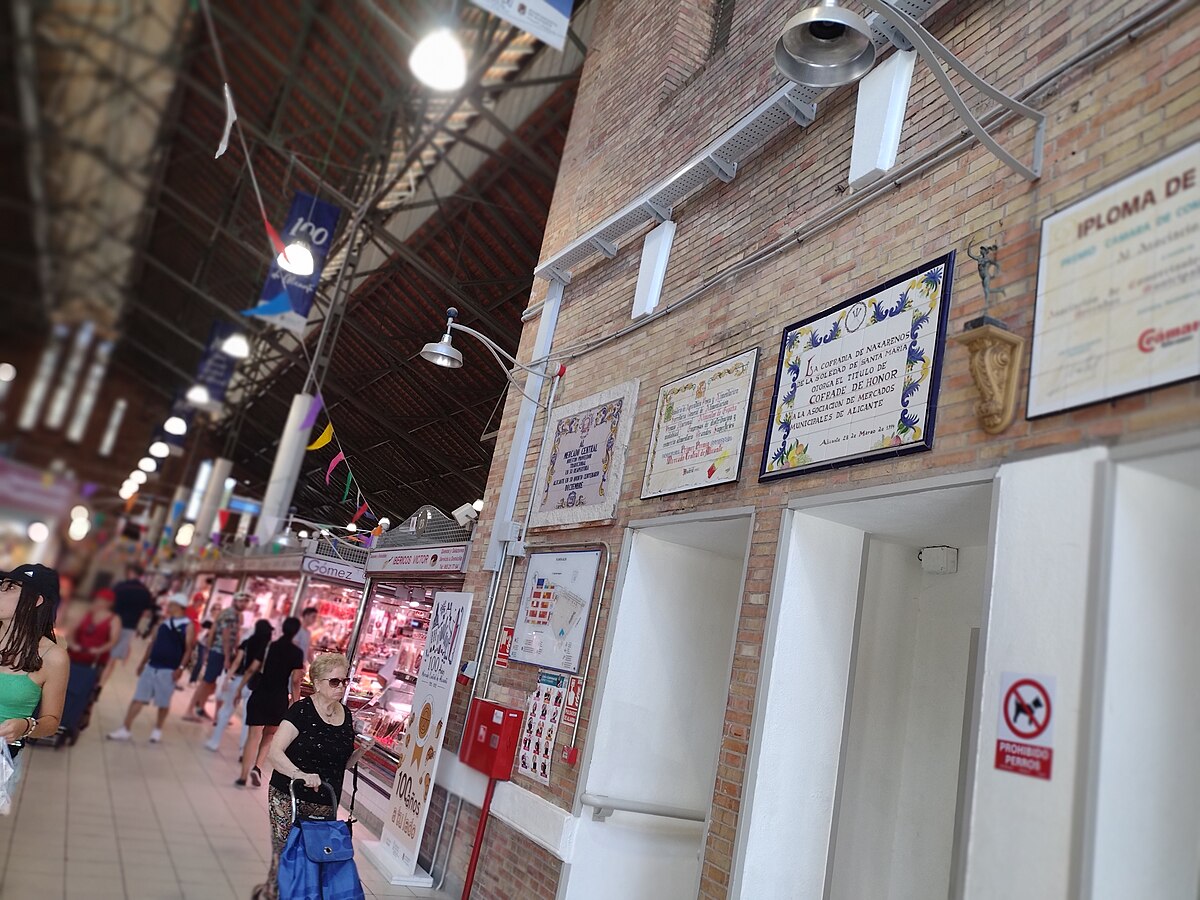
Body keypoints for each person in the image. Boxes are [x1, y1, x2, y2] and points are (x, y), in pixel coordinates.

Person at [258, 653, 374, 900]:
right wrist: (300, 774)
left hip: (325, 802)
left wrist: (361, 752)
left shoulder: (347, 716)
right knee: (288, 856)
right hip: (289, 797)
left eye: (345, 681)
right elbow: (274, 753)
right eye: (334, 681)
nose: (341, 687)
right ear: (318, 682)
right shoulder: (301, 711)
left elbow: (342, 764)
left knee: (318, 858)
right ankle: (275, 893)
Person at [0, 565, 68, 760]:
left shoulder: (53, 657)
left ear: (36, 601)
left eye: (10, 587)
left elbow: (51, 722)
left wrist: (26, 726)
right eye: (1, 585)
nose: (0, 592)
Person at [107, 594, 195, 743]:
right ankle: (125, 728)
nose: (169, 606)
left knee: (163, 702)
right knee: (138, 698)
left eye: (172, 604)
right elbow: (152, 643)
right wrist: (143, 663)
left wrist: (180, 668)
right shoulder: (163, 623)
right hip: (152, 666)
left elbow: (188, 649)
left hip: (169, 669)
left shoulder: (188, 625)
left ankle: (158, 729)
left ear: (180, 607)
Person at [238, 617, 304, 788]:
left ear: (282, 629)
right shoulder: (297, 653)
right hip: (278, 698)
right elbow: (296, 680)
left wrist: (239, 688)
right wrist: (296, 703)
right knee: (269, 736)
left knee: (253, 737)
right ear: (296, 631)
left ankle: (243, 776)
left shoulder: (268, 646)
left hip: (260, 694)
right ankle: (257, 768)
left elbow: (253, 668)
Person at [205, 618, 272, 753]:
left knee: (226, 711)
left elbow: (236, 662)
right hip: (255, 685)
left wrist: (227, 678)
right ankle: (243, 750)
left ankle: (215, 741)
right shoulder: (268, 648)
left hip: (239, 680)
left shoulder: (247, 643)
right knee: (248, 719)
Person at [185, 592, 250, 722]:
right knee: (206, 682)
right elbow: (225, 636)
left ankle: (200, 707)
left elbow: (231, 634)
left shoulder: (233, 615)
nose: (243, 604)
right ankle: (190, 710)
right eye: (241, 601)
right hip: (219, 652)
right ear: (235, 601)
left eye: (245, 601)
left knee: (211, 683)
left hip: (219, 651)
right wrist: (226, 657)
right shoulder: (230, 615)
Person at [102, 564, 155, 687]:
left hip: (112, 623)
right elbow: (146, 613)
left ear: (130, 572)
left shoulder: (120, 586)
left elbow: (108, 604)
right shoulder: (145, 592)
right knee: (112, 659)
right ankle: (100, 684)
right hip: (129, 627)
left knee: (103, 651)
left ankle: (95, 677)